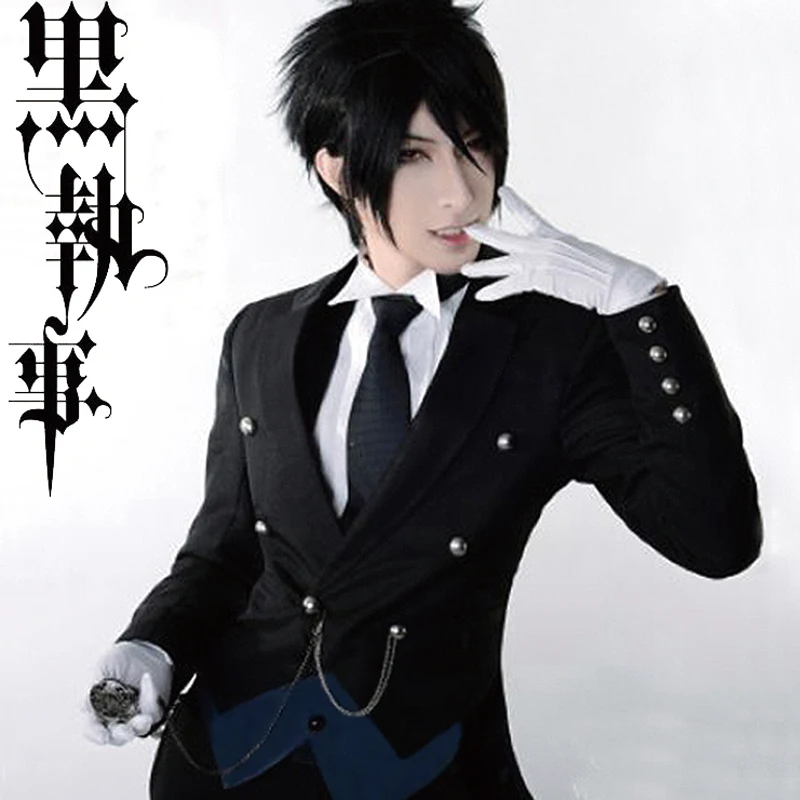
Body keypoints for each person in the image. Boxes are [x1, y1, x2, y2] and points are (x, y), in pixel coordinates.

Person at [82, 1, 762, 798]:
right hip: (227, 758)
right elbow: (225, 554)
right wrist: (152, 644)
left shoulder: (550, 347)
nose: (459, 193)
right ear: (337, 168)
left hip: (426, 769)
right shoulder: (261, 335)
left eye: (474, 148)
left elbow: (716, 540)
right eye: (413, 155)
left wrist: (637, 302)